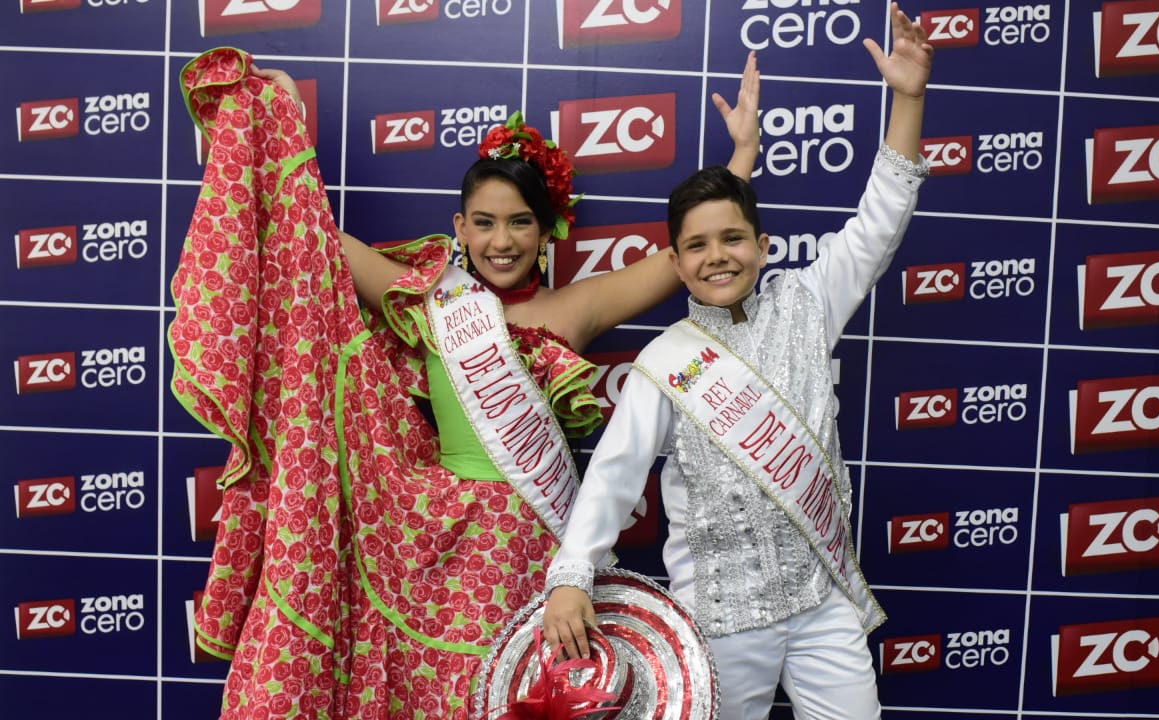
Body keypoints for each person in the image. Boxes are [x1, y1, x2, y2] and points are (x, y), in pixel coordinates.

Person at [171, 46, 759, 719]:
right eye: (483, 222)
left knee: (529, 698)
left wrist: (741, 156)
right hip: (436, 549)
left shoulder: (572, 311)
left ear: (546, 233)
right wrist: (283, 122)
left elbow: (683, 255)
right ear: (460, 228)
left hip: (539, 554)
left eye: (518, 223)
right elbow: (310, 236)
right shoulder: (429, 301)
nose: (500, 240)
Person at [541, 5, 933, 719]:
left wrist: (908, 97)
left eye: (733, 238)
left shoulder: (810, 301)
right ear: (678, 264)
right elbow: (615, 476)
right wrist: (571, 576)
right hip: (718, 622)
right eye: (697, 246)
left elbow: (881, 221)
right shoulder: (666, 361)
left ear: (763, 244)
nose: (717, 255)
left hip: (822, 606)